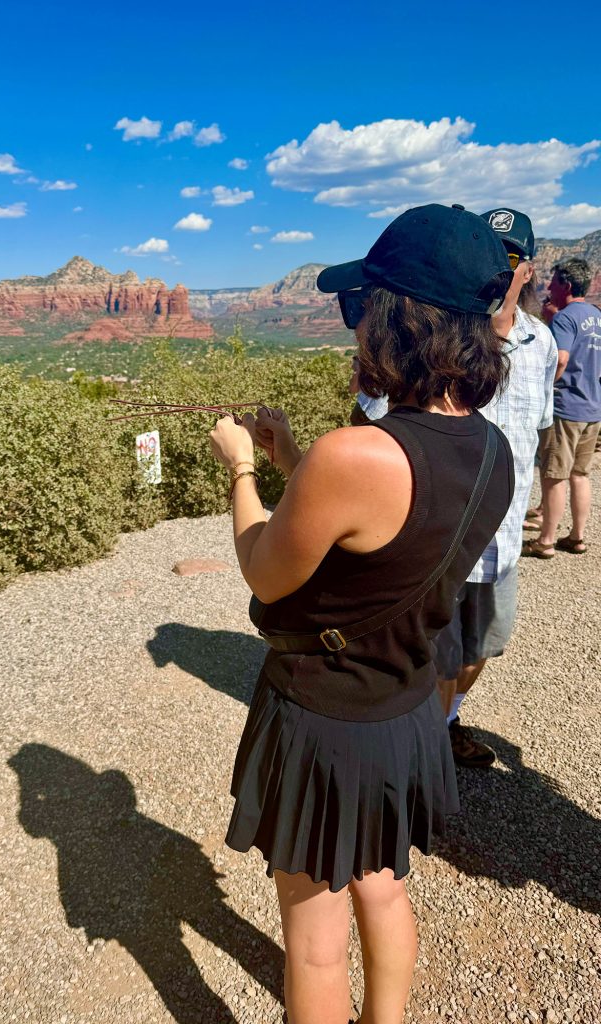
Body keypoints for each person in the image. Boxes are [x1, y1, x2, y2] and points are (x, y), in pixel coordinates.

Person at [208, 203, 514, 1024]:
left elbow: (267, 574)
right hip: (407, 709)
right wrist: (294, 461)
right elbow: (388, 533)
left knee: (313, 939)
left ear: (397, 319)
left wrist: (243, 472)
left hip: (326, 722)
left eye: (360, 307)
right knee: (383, 886)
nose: (353, 326)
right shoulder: (491, 449)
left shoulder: (358, 454)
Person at [434, 209, 557, 767]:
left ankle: (446, 721)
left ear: (527, 270)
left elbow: (536, 435)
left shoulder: (543, 343)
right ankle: (424, 753)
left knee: (487, 644)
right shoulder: (441, 338)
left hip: (503, 539)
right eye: (488, 257)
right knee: (433, 652)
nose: (499, 272)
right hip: (437, 538)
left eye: (509, 259)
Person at [523, 257, 601, 557]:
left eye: (553, 281)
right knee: (580, 475)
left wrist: (545, 389)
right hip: (593, 408)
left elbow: (563, 358)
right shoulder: (595, 315)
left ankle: (545, 542)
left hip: (566, 407)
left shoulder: (566, 318)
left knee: (554, 475)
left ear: (566, 285)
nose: (549, 285)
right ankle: (577, 537)